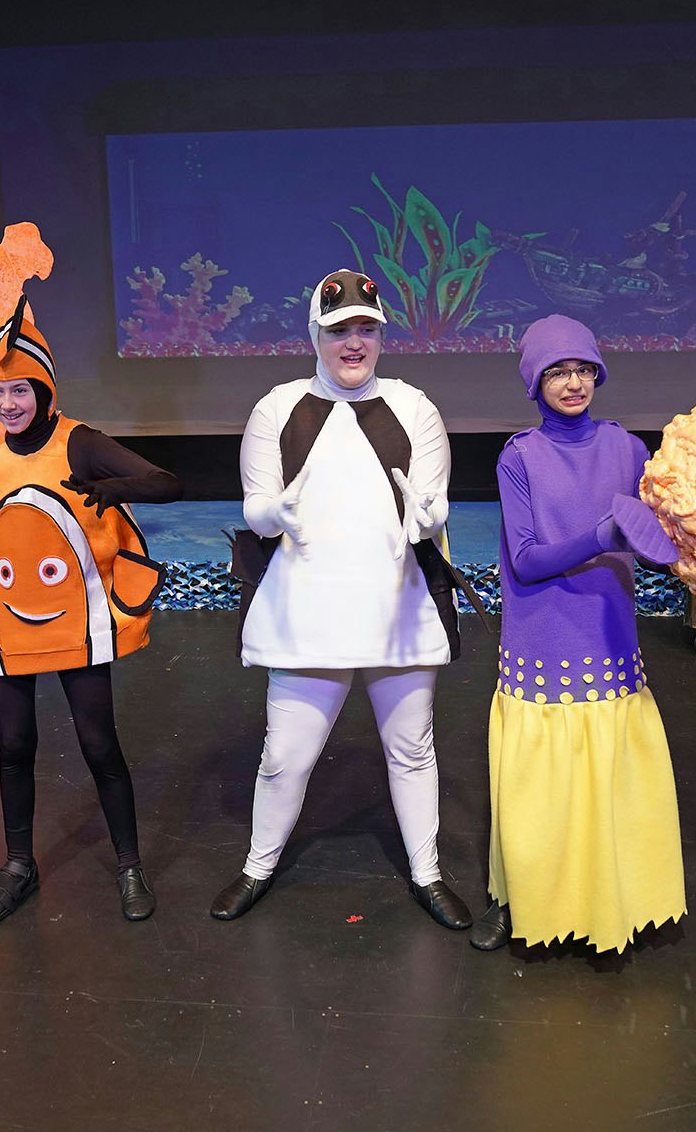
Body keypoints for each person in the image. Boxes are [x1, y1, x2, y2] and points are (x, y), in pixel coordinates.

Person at [0, 295, 180, 924]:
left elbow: (168, 483)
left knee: (98, 743)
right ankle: (18, 864)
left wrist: (111, 487)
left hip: (76, 622)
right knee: (14, 744)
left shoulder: (79, 442)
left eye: (20, 389)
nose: (8, 403)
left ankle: (130, 866)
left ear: (44, 387)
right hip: (6, 626)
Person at [209, 268, 471, 929]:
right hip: (307, 614)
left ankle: (428, 873)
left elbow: (432, 505)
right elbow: (257, 503)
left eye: (365, 330)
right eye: (338, 332)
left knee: (412, 748)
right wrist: (276, 515)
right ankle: (258, 865)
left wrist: (428, 519)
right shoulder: (278, 408)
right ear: (315, 335)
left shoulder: (416, 409)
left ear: (380, 335)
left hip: (396, 612)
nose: (353, 344)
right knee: (284, 756)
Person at [470, 316, 686, 953]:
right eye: (557, 371)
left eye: (583, 370)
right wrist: (601, 536)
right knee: (538, 791)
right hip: (544, 632)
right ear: (534, 383)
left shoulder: (628, 450)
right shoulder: (521, 456)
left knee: (611, 783)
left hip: (608, 630)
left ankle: (615, 899)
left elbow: (657, 543)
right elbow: (528, 558)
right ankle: (517, 899)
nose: (572, 383)